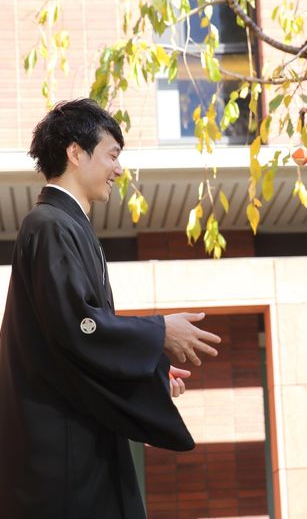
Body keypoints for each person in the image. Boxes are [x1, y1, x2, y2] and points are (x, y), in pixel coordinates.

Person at [0, 99, 222, 519]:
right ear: (75, 152)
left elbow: (74, 334)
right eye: (112, 155)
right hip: (62, 451)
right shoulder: (50, 225)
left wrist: (147, 367)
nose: (119, 170)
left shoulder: (61, 224)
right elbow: (76, 326)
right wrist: (159, 332)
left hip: (72, 437)